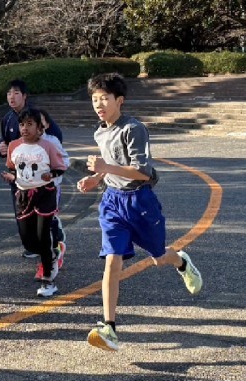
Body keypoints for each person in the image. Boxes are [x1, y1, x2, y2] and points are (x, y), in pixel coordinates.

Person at [77, 73, 203, 351]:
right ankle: (109, 327)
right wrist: (96, 178)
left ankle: (181, 262)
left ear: (119, 100)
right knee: (112, 260)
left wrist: (104, 168)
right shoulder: (100, 131)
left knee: (159, 257)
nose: (99, 104)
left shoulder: (134, 129)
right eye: (95, 99)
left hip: (140, 202)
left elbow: (143, 172)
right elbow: (109, 163)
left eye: (104, 99)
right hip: (112, 202)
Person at [1, 108, 67, 297]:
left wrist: (51, 174)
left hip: (45, 193)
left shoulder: (48, 146)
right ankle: (52, 254)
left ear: (40, 128)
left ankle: (48, 280)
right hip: (23, 195)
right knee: (28, 240)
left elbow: (60, 167)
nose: (24, 128)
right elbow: (13, 168)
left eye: (29, 124)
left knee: (43, 235)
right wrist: (11, 176)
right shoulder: (14, 146)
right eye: (22, 124)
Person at [0, 79, 63, 259]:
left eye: (16, 93)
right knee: (23, 217)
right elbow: (4, 143)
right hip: (19, 178)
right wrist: (0, 148)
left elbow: (56, 138)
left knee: (43, 217)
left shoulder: (37, 115)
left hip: (40, 179)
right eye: (9, 93)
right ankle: (34, 247)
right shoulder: (7, 119)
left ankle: (51, 247)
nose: (12, 97)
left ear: (25, 96)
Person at [35, 108, 68, 280]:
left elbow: (65, 161)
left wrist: (52, 174)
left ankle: (49, 259)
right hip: (29, 191)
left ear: (47, 125)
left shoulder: (52, 141)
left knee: (46, 224)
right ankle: (54, 248)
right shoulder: (22, 143)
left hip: (50, 189)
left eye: (40, 122)